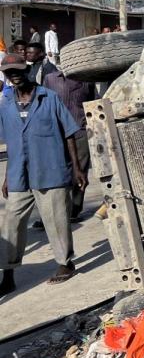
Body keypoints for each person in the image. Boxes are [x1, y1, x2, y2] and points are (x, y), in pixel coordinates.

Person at [0, 54, 86, 295]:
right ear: (5, 76)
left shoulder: (49, 97)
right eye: (9, 72)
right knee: (12, 222)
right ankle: (8, 272)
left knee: (56, 219)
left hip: (50, 169)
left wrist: (77, 168)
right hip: (19, 174)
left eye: (17, 70)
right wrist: (7, 176)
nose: (14, 75)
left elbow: (69, 132)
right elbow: (12, 143)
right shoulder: (6, 103)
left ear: (26, 69)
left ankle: (65, 264)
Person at [43, 68, 95, 222]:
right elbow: (42, 103)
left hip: (80, 131)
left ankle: (75, 209)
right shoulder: (50, 79)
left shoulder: (86, 79)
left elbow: (93, 103)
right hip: (56, 134)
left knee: (79, 171)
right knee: (57, 174)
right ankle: (56, 212)